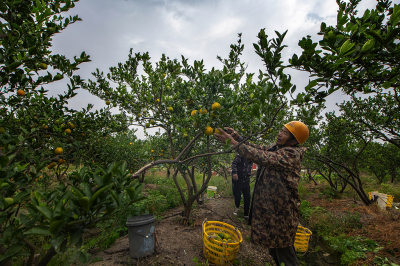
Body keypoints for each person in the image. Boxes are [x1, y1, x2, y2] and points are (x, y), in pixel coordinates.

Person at [214, 121, 309, 266]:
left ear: (294, 140)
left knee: (284, 251)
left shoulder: (291, 154)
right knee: (274, 248)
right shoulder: (277, 149)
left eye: (284, 132)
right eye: (281, 130)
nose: (279, 133)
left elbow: (261, 156)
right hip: (273, 211)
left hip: (282, 214)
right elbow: (258, 148)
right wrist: (238, 137)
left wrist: (232, 142)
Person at [231, 154, 252, 219]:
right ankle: (237, 207)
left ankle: (246, 213)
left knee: (247, 196)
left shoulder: (252, 157)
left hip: (246, 180)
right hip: (238, 179)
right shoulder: (240, 155)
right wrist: (234, 173)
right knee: (237, 195)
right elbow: (234, 164)